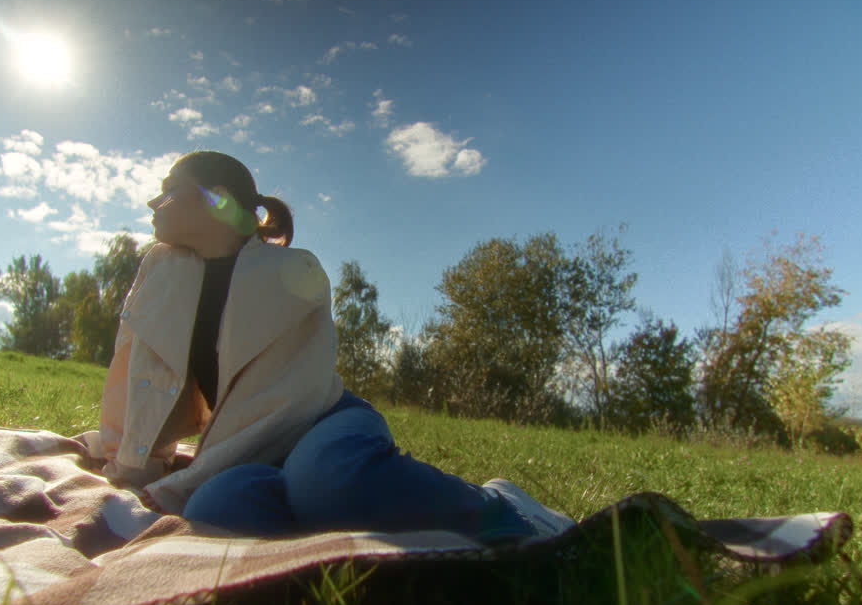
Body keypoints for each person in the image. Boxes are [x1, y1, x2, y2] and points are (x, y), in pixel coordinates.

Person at [88, 151, 575, 543]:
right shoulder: (164, 272)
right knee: (217, 511)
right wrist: (130, 463)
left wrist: (173, 484)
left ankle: (502, 507)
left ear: (216, 200)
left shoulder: (291, 274)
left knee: (325, 479)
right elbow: (136, 368)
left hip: (322, 423)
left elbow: (274, 404)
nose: (155, 202)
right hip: (251, 452)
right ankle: (350, 552)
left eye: (170, 190)